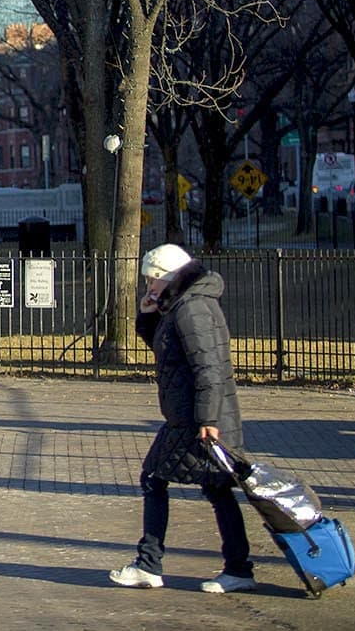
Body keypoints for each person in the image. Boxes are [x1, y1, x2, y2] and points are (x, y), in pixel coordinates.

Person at [109, 242, 255, 594]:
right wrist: (147, 315)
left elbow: (208, 368)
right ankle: (238, 568)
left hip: (196, 418)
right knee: (216, 489)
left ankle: (150, 563)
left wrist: (206, 418)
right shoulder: (183, 305)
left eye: (152, 282)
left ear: (168, 277)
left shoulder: (192, 309)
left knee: (155, 478)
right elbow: (167, 349)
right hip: (192, 416)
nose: (149, 288)